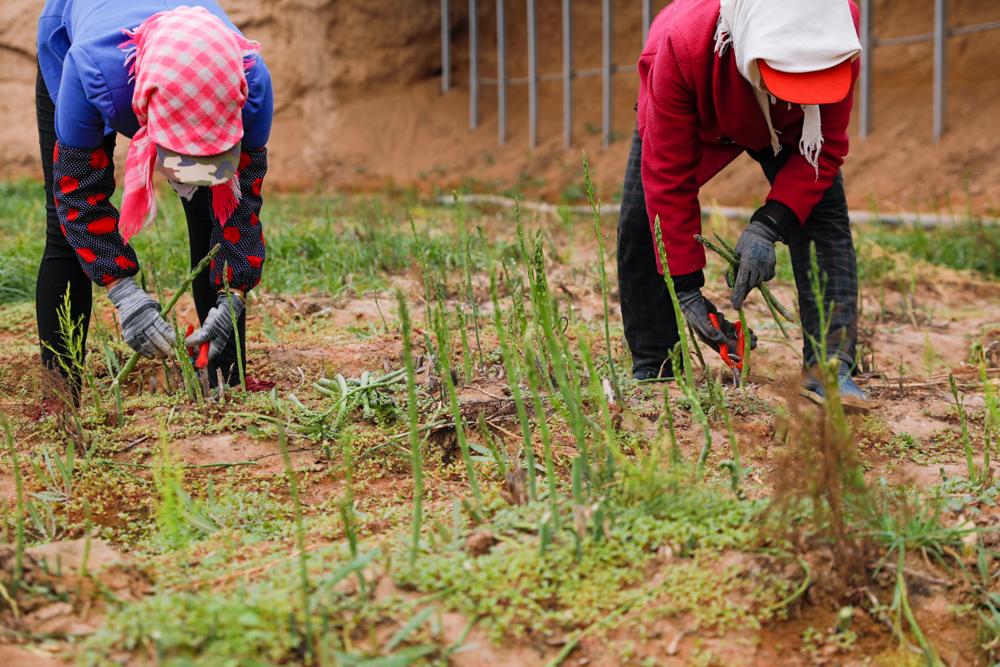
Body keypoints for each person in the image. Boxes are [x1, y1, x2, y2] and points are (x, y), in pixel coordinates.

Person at [617, 0, 867, 402]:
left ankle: (830, 369)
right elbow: (668, 180)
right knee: (643, 222)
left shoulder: (835, 31)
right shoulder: (681, 45)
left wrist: (769, 224)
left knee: (824, 218)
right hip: (702, 104)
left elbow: (826, 149)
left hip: (795, 124)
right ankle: (656, 366)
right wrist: (686, 289)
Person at [36, 0, 273, 396]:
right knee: (62, 232)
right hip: (82, 40)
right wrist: (124, 293)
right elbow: (78, 197)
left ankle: (225, 381)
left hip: (197, 65)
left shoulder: (250, 81)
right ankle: (60, 394)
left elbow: (241, 206)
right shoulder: (92, 71)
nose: (194, 172)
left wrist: (234, 294)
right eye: (184, 156)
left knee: (211, 214)